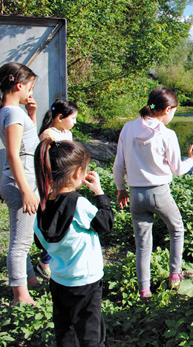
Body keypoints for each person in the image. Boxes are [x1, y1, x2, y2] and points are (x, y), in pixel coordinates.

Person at [113, 87, 193, 301]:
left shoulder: (128, 128)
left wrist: (120, 189)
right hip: (159, 193)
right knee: (176, 229)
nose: (173, 115)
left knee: (143, 245)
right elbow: (177, 170)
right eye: (174, 111)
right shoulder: (167, 134)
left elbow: (118, 164)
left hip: (136, 194)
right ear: (166, 110)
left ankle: (144, 291)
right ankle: (175, 275)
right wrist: (192, 159)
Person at [34, 139, 113, 347]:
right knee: (91, 335)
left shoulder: (42, 205)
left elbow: (40, 241)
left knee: (65, 331)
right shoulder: (79, 204)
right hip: (86, 282)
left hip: (59, 279)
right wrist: (100, 194)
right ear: (78, 173)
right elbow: (105, 223)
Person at [0, 62, 40, 305]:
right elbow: (13, 154)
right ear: (19, 84)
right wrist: (26, 190)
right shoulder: (13, 113)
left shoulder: (11, 111)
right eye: (30, 87)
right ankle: (20, 296)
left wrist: (33, 115)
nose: (31, 93)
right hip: (20, 181)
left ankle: (30, 280)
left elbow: (29, 141)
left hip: (18, 179)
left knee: (20, 236)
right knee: (21, 242)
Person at [35, 99, 79, 279]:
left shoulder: (66, 133)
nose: (75, 122)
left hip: (67, 184)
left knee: (66, 222)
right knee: (55, 222)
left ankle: (55, 259)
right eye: (73, 118)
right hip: (53, 185)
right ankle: (45, 262)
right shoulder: (48, 135)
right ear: (60, 117)